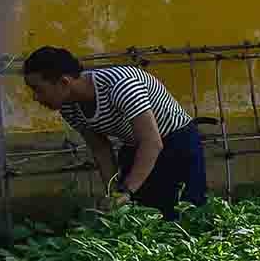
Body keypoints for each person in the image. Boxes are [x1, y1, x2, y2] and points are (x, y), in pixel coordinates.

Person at [20, 46, 208, 218]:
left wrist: (127, 190)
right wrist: (114, 194)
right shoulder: (68, 106)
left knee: (184, 214)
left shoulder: (121, 86)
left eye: (38, 89)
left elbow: (152, 142)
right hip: (136, 147)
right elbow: (100, 148)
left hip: (177, 144)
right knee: (140, 217)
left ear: (64, 82)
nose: (35, 98)